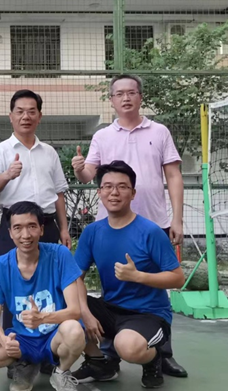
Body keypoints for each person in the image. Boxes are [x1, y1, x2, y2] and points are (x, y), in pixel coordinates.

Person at [70, 74, 188, 378]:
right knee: (112, 288)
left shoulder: (159, 132)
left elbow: (173, 175)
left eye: (131, 92)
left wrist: (176, 218)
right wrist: (80, 169)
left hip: (154, 221)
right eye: (119, 93)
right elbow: (89, 176)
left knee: (155, 289)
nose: (125, 98)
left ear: (140, 97)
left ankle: (161, 354)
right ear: (111, 100)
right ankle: (105, 356)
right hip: (111, 226)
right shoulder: (102, 136)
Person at [72, 161, 185, 389]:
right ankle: (99, 362)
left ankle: (153, 360)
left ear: (133, 193)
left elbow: (178, 278)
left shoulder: (150, 232)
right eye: (108, 186)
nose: (114, 192)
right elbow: (75, 278)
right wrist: (85, 312)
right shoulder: (92, 232)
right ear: (99, 192)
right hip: (110, 309)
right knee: (62, 305)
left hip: (148, 314)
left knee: (128, 346)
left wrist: (138, 276)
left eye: (122, 187)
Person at [0, 201, 87, 391]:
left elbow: (75, 311)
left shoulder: (60, 255)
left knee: (74, 330)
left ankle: (61, 372)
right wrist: (4, 341)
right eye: (18, 228)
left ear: (41, 229)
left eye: (32, 226)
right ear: (10, 233)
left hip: (54, 335)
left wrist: (42, 318)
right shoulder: (0, 266)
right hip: (22, 339)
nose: (25, 235)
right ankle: (25, 364)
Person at [0, 89, 71, 336]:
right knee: (12, 283)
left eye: (32, 111)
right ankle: (12, 343)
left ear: (39, 116)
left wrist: (64, 228)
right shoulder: (0, 150)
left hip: (47, 224)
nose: (26, 116)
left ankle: (51, 342)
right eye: (20, 111)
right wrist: (7, 175)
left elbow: (59, 192)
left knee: (50, 283)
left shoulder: (49, 152)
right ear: (10, 116)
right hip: (14, 226)